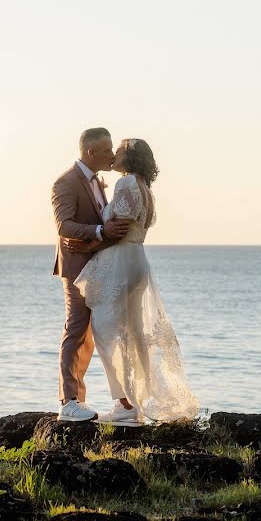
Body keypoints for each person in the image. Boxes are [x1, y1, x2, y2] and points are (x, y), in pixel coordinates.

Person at [68, 138, 199, 425]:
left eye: (120, 150)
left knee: (107, 332)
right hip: (137, 262)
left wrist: (88, 247)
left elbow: (120, 227)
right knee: (132, 332)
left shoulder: (125, 184)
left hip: (121, 263)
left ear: (131, 158)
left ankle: (126, 406)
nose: (114, 153)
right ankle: (134, 403)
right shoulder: (144, 187)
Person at [50, 127, 130, 421]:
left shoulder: (97, 181)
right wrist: (100, 230)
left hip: (97, 266)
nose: (112, 154)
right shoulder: (66, 182)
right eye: (108, 150)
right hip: (75, 267)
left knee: (91, 335)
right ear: (90, 152)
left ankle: (83, 401)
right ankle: (68, 401)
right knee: (76, 328)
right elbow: (64, 226)